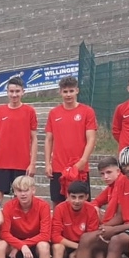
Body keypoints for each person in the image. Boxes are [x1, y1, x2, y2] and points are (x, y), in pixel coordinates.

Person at [44, 76, 97, 204]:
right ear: (60, 92)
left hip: (78, 167)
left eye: (71, 91)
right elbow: (49, 139)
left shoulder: (87, 111)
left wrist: (83, 161)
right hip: (58, 167)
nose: (68, 95)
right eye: (65, 91)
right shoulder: (54, 113)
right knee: (58, 203)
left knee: (82, 203)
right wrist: (47, 163)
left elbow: (91, 138)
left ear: (77, 90)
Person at [50, 180, 99, 258]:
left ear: (87, 197)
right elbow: (55, 236)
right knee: (57, 247)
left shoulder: (91, 210)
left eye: (81, 197)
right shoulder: (60, 208)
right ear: (68, 196)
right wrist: (78, 248)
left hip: (85, 245)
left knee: (98, 251)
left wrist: (79, 252)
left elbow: (92, 237)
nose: (76, 201)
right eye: (73, 197)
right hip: (68, 245)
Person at [0, 77, 37, 202]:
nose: (14, 94)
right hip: (1, 162)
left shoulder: (29, 111)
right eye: (11, 91)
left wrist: (32, 163)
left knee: (20, 198)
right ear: (7, 92)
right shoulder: (0, 110)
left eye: (17, 91)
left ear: (23, 92)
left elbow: (34, 138)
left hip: (22, 163)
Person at [91, 156, 121, 222]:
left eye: (109, 172)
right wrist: (95, 208)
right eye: (102, 174)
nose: (105, 177)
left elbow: (112, 208)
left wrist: (104, 223)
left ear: (118, 171)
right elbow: (96, 201)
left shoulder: (121, 183)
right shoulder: (111, 186)